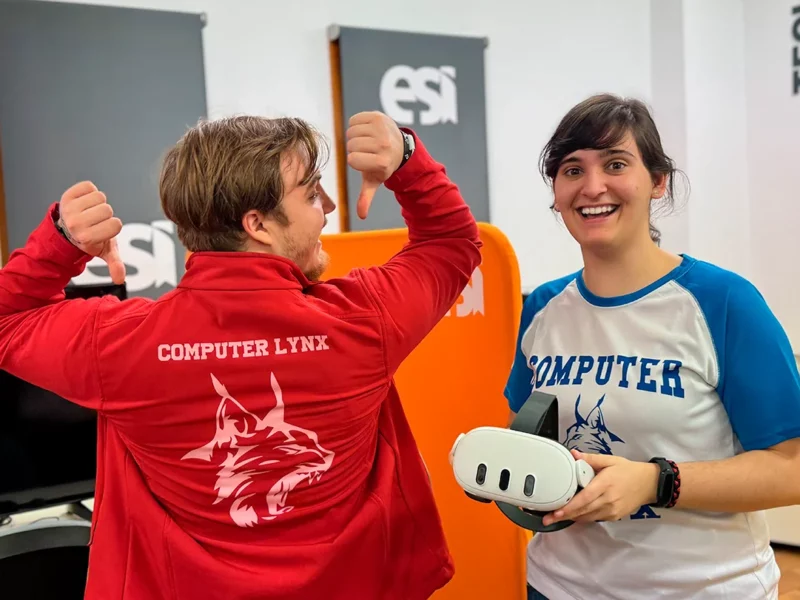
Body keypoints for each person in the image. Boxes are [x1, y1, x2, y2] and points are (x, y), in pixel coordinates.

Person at [0, 111, 482, 599]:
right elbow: (452, 242)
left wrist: (60, 244)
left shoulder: (120, 345)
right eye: (312, 194)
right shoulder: (364, 320)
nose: (328, 208)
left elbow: (6, 323)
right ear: (258, 226)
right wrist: (407, 160)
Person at [504, 93, 800, 600]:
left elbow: (791, 469)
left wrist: (656, 482)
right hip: (557, 586)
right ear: (555, 192)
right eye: (572, 170)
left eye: (615, 164)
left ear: (657, 182)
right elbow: (532, 439)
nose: (592, 186)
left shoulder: (722, 301)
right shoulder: (545, 307)